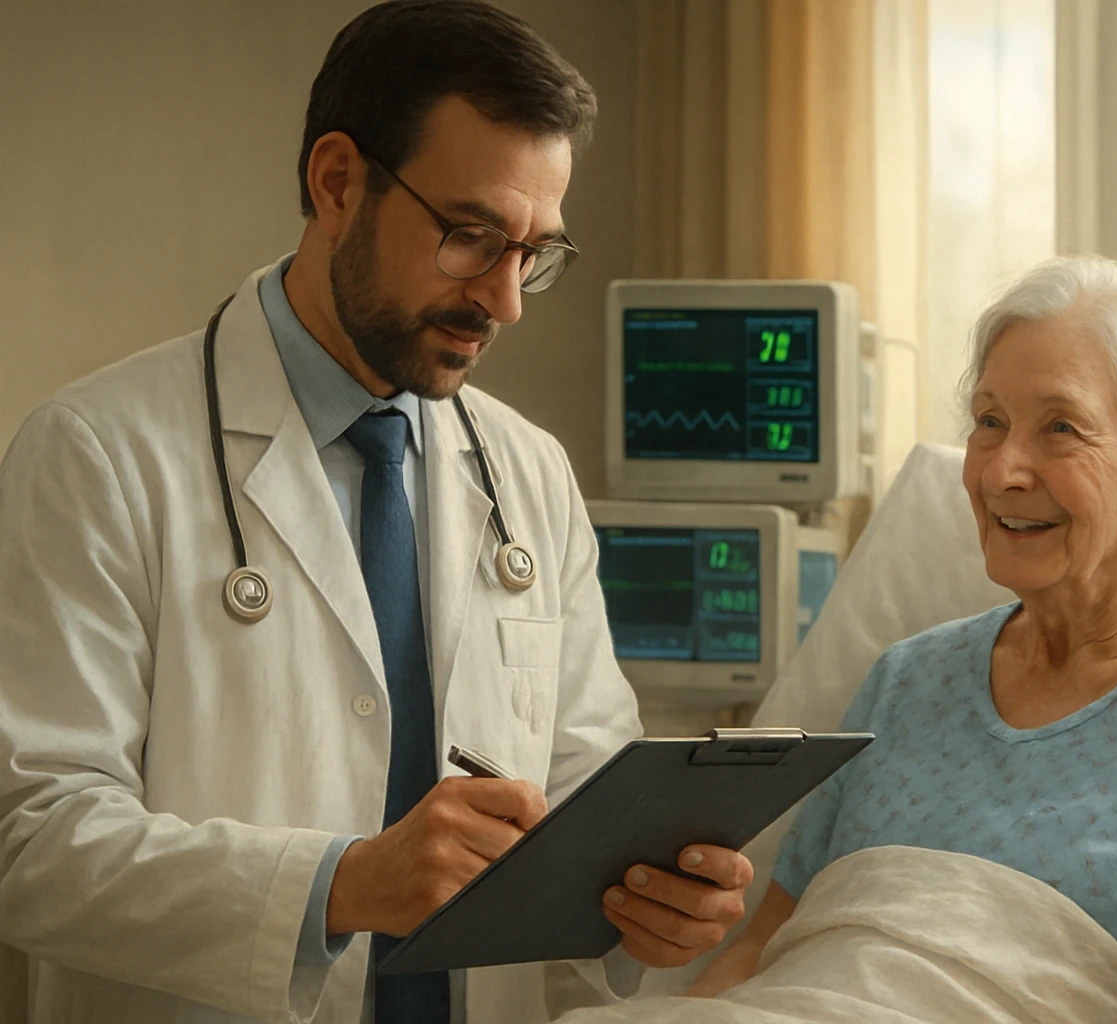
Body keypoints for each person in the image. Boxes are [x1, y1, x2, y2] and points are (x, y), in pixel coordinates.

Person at [0, 3, 750, 1022]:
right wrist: (341, 885)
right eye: (471, 236)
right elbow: (32, 837)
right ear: (338, 182)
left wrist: (647, 904)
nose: (507, 299)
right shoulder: (97, 455)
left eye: (534, 252)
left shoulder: (527, 472)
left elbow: (581, 801)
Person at [686, 257, 1117, 1022]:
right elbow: (764, 954)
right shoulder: (905, 681)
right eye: (990, 422)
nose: (1002, 471)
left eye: (1060, 429)